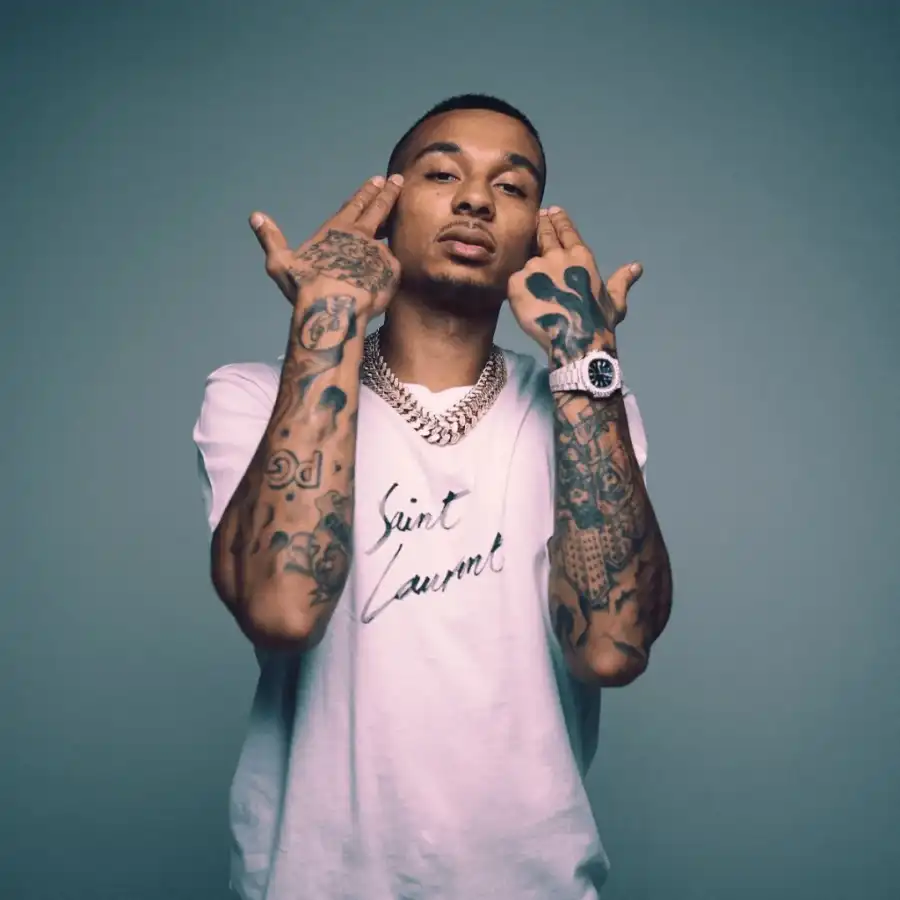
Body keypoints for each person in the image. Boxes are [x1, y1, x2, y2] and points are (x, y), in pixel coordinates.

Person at [192, 93, 673, 900]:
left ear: (533, 236)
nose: (476, 199)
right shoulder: (251, 397)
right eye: (443, 173)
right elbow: (283, 611)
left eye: (512, 187)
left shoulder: (588, 409)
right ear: (387, 209)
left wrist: (585, 354)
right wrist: (328, 317)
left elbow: (610, 650)